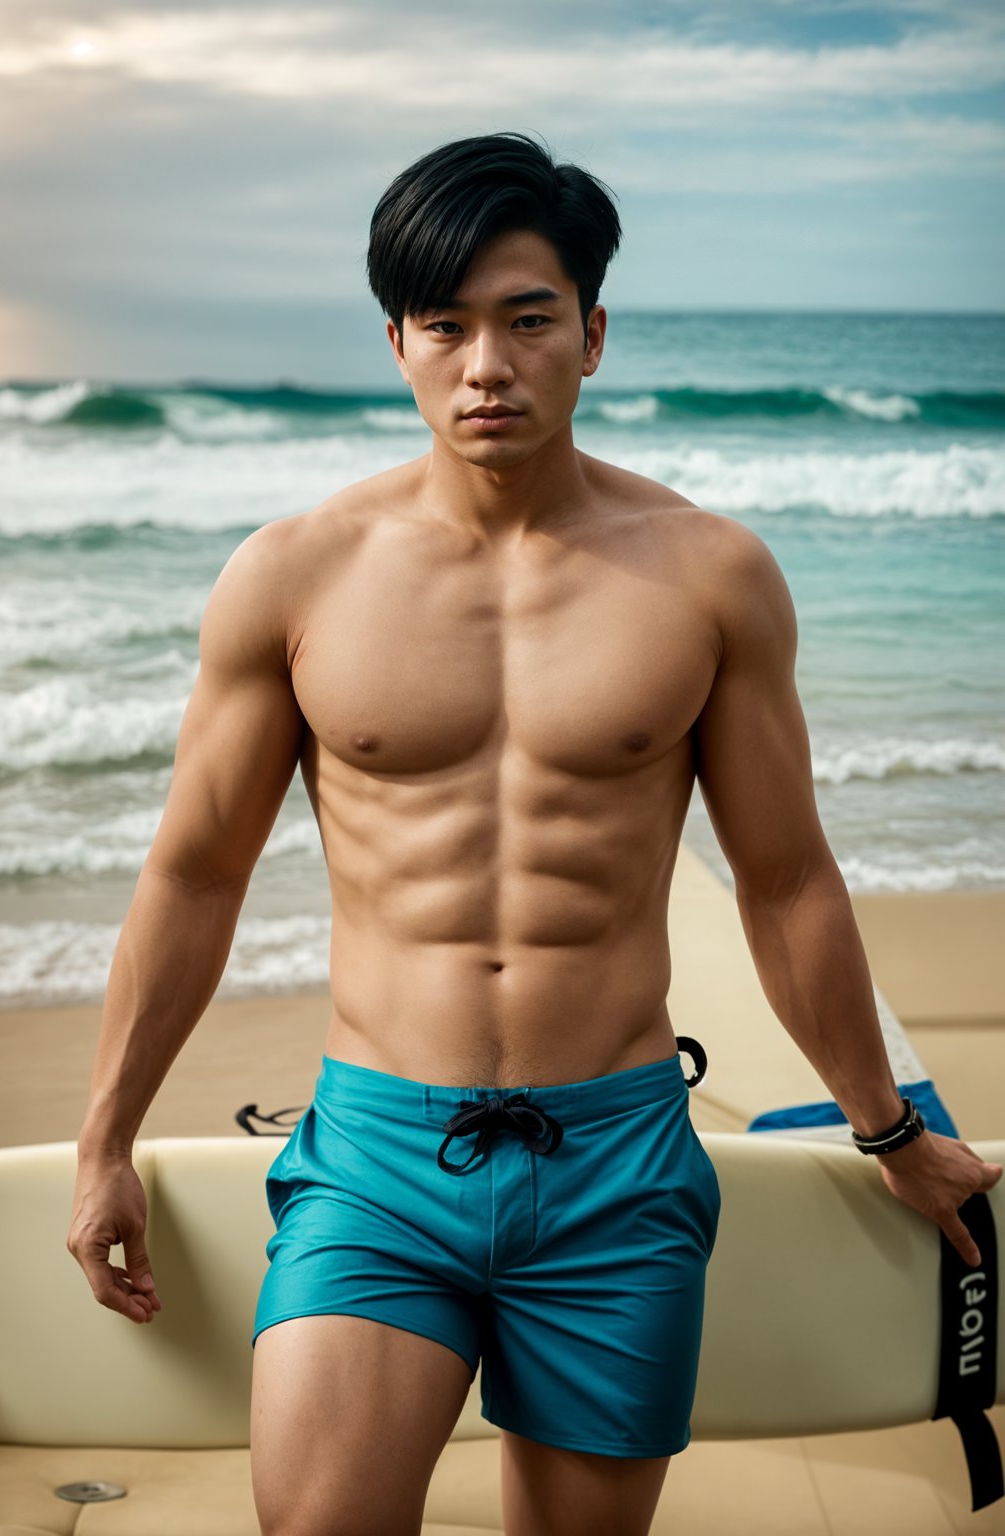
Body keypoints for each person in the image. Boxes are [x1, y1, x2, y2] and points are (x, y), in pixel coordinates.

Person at [67, 131, 1003, 1536]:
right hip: (379, 1158)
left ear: (594, 334)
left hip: (617, 1160)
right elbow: (194, 873)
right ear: (396, 342)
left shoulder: (710, 576)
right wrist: (104, 1142)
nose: (486, 366)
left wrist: (889, 1129)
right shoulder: (293, 578)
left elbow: (789, 879)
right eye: (445, 326)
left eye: (527, 320)